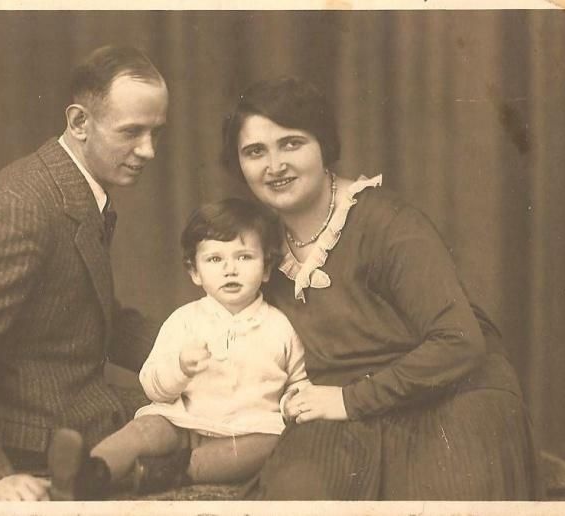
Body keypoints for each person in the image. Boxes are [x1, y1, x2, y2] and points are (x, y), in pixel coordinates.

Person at [221, 76, 541, 500]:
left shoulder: (389, 224)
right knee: (297, 491)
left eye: (292, 143)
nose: (274, 165)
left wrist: (352, 401)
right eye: (255, 151)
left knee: (441, 492)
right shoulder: (258, 244)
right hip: (341, 398)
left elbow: (460, 342)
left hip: (453, 390)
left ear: (325, 147)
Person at [0, 45, 168, 501]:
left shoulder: (74, 187)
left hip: (54, 397)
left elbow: (91, 314)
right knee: (182, 428)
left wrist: (200, 344)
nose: (148, 150)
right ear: (79, 123)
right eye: (131, 132)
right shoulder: (23, 209)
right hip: (8, 427)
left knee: (203, 409)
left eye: (154, 132)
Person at [47, 198, 309, 500]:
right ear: (194, 271)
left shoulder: (280, 327)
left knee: (273, 442)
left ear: (266, 268)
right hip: (183, 425)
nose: (230, 270)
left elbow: (298, 380)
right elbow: (153, 385)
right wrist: (180, 369)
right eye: (214, 260)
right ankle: (90, 471)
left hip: (245, 430)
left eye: (244, 257)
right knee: (147, 426)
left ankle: (175, 473)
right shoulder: (184, 321)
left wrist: (293, 401)